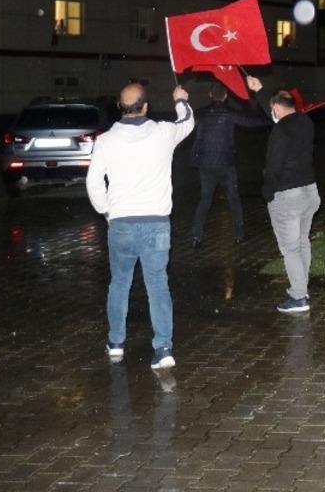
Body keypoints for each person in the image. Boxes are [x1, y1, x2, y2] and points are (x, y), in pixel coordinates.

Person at [86, 83, 194, 369]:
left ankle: (116, 343)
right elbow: (187, 122)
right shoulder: (163, 132)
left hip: (121, 223)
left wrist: (106, 211)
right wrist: (180, 100)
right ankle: (163, 348)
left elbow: (93, 182)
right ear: (146, 106)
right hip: (156, 224)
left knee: (119, 282)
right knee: (157, 284)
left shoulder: (106, 141)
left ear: (119, 107)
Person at [257, 81, 320, 314]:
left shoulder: (280, 131)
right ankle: (302, 287)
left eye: (272, 109)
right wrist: (260, 92)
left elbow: (273, 166)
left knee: (290, 248)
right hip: (309, 192)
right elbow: (281, 118)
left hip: (288, 197)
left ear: (276, 108)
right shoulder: (305, 122)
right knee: (302, 242)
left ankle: (298, 297)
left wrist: (267, 192)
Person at [190, 79, 268, 248]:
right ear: (225, 96)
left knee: (205, 200)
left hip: (206, 164)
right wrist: (271, 118)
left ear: (210, 95)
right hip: (226, 164)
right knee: (233, 199)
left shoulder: (200, 114)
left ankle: (196, 236)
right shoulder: (230, 114)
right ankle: (239, 235)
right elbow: (252, 122)